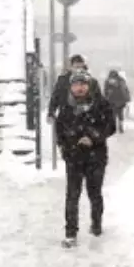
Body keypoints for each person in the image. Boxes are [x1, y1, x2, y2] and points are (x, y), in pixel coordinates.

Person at [54, 70, 117, 248]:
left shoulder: (100, 104)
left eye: (83, 84)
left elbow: (110, 126)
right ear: (71, 87)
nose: (79, 88)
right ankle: (70, 233)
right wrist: (66, 148)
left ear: (89, 86)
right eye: (75, 84)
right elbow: (60, 131)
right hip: (74, 157)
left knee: (94, 193)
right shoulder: (66, 107)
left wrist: (94, 137)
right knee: (72, 195)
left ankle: (96, 224)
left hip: (96, 156)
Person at [48, 54, 102, 121]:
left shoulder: (92, 82)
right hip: (65, 117)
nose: (78, 70)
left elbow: (98, 99)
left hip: (85, 119)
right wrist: (51, 113)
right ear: (71, 67)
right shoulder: (63, 80)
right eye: (76, 67)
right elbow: (55, 97)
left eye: (80, 67)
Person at [104, 69, 132, 133]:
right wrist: (128, 99)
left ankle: (114, 127)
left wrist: (106, 98)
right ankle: (120, 125)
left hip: (112, 100)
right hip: (121, 100)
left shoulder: (108, 81)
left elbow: (105, 91)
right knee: (120, 114)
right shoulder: (121, 80)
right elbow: (126, 90)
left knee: (113, 114)